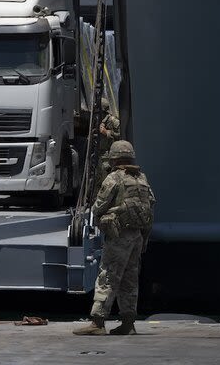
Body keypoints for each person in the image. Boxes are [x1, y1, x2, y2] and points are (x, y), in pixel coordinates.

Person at [74, 140, 155, 336]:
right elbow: (151, 204)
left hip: (119, 236)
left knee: (108, 275)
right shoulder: (142, 179)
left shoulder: (114, 178)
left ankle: (98, 322)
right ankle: (128, 323)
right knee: (129, 279)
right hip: (137, 236)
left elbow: (98, 207)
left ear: (114, 158)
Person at [94, 97, 121, 191]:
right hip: (100, 154)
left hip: (109, 154)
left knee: (107, 180)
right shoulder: (98, 120)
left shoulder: (113, 120)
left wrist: (107, 132)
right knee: (98, 180)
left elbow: (121, 135)